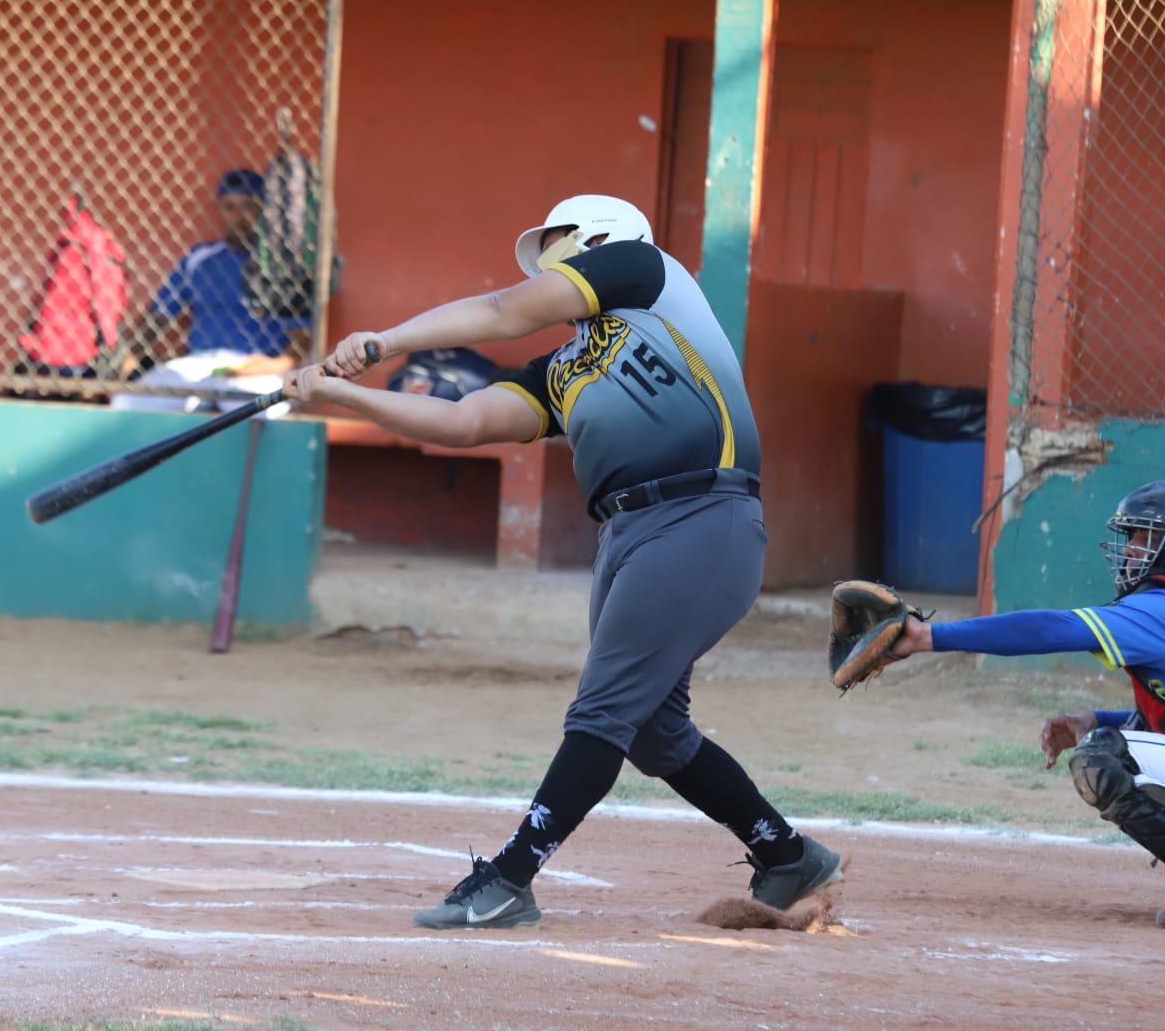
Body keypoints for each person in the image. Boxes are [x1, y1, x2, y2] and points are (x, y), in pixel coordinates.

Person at [283, 194, 844, 929]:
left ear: (596, 241)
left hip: (704, 516)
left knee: (604, 712)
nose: (548, 259)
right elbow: (464, 421)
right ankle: (787, 856)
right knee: (651, 730)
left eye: (557, 243)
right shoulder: (565, 367)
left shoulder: (648, 274)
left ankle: (511, 878)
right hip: (625, 535)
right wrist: (340, 394)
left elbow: (500, 310)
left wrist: (383, 340)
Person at [889, 479, 1165, 932]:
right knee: (1108, 736)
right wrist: (1096, 717)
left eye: (1144, 537)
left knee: (1101, 756)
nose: (1131, 549)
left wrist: (927, 638)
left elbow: (1048, 630)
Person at [112, 168, 307, 413]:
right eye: (230, 207)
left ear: (262, 210)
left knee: (262, 411)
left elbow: (301, 342)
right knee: (127, 402)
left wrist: (272, 365)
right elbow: (158, 316)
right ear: (219, 210)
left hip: (255, 367)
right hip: (200, 364)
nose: (239, 217)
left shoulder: (281, 266)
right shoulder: (200, 259)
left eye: (248, 206)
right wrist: (129, 357)